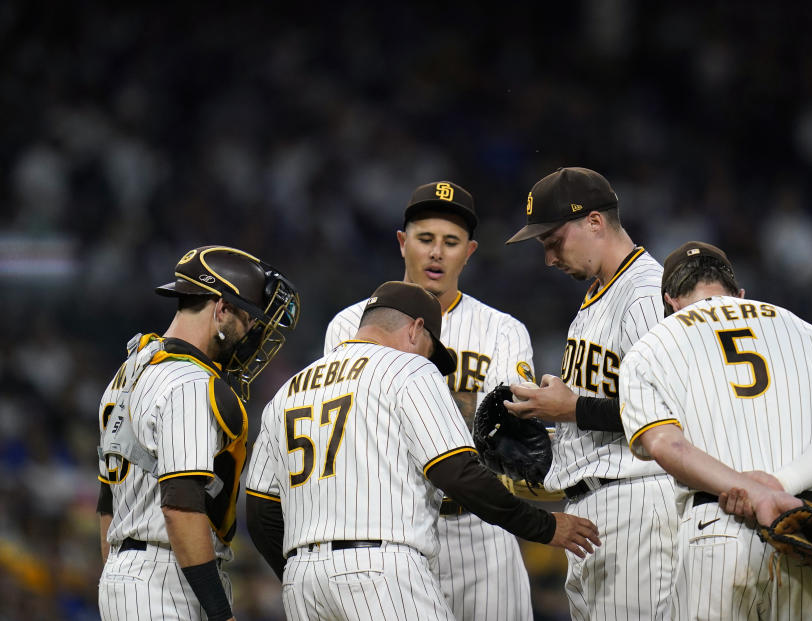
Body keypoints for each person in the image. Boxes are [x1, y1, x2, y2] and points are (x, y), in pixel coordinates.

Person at [244, 281, 600, 621]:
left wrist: (300, 572)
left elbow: (261, 512)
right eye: (430, 349)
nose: (428, 359)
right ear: (415, 329)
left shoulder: (286, 392)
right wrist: (543, 525)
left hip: (302, 583)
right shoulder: (408, 368)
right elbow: (459, 475)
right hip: (381, 572)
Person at [322, 181, 541, 621]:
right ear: (403, 243)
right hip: (391, 530)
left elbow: (502, 428)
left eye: (451, 242)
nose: (437, 253)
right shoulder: (350, 323)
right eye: (425, 239)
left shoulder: (502, 329)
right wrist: (456, 403)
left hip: (480, 529)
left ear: (470, 251)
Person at [619, 241, 812, 620]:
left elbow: (663, 442)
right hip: (805, 529)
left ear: (669, 301)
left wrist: (751, 491)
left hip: (717, 526)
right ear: (738, 294)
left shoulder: (652, 346)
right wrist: (778, 486)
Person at [504, 167, 678, 620]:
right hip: (592, 513)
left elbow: (672, 410)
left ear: (595, 222)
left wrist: (571, 407)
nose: (548, 258)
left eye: (553, 241)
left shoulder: (644, 294)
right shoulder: (597, 298)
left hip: (638, 501)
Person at [96, 245, 301, 621]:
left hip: (127, 575)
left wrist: (120, 580)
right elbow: (180, 506)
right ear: (221, 308)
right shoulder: (190, 382)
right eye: (249, 319)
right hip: (166, 579)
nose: (252, 334)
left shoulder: (129, 371)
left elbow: (106, 505)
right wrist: (221, 614)